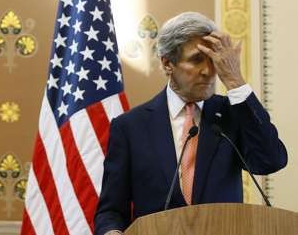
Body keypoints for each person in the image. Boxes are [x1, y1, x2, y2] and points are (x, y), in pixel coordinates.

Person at [94, 12, 287, 235]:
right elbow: (110, 211)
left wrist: (236, 81)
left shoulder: (232, 114)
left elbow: (271, 161)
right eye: (196, 60)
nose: (208, 71)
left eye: (213, 60)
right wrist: (111, 232)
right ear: (168, 63)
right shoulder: (130, 127)